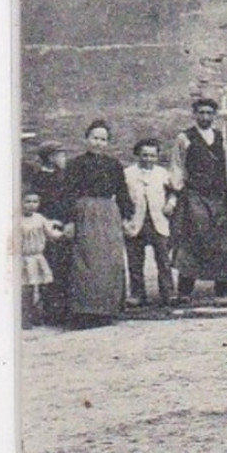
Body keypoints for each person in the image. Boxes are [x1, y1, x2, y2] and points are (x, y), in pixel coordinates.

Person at [169, 97, 227, 303]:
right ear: (195, 115)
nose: (205, 116)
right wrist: (176, 191)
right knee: (193, 238)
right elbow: (177, 165)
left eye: (209, 113)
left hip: (218, 196)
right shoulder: (184, 138)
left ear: (214, 115)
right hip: (195, 195)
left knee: (221, 240)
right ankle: (185, 288)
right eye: (201, 112)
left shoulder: (219, 138)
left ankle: (223, 285)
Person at [57, 120, 132, 327]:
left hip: (109, 213)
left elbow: (122, 192)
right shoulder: (75, 164)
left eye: (103, 139)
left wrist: (126, 217)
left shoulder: (114, 165)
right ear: (86, 139)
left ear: (107, 142)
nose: (98, 143)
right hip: (85, 213)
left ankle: (107, 309)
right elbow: (67, 194)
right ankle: (85, 310)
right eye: (95, 138)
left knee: (110, 260)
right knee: (86, 260)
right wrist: (69, 221)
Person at [122, 137, 176, 307]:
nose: (148, 159)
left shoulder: (162, 173)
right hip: (136, 222)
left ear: (157, 156)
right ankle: (138, 294)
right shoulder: (128, 174)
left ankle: (168, 293)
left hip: (158, 221)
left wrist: (170, 204)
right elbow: (121, 197)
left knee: (163, 261)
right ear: (138, 155)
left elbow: (173, 193)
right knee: (135, 262)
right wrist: (124, 220)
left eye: (152, 156)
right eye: (144, 155)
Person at [28, 141, 72, 325]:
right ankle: (51, 311)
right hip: (47, 226)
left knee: (65, 268)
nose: (64, 158)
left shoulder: (65, 176)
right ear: (50, 157)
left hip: (64, 226)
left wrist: (69, 221)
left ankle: (65, 309)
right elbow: (40, 205)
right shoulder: (39, 179)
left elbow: (70, 200)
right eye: (60, 154)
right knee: (49, 268)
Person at [16, 191, 60, 328]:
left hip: (38, 257)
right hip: (24, 258)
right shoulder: (16, 220)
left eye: (35, 202)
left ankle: (40, 315)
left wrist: (60, 234)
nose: (31, 205)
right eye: (28, 201)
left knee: (43, 286)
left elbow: (51, 233)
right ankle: (25, 318)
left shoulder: (40, 218)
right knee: (26, 288)